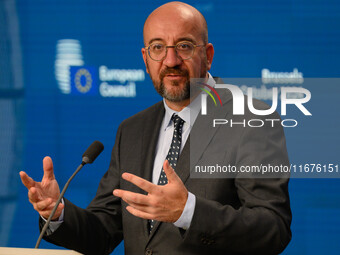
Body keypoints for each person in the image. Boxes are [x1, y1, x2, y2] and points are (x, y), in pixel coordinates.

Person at [20, 2, 292, 254]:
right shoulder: (132, 130)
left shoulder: (250, 119)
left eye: (184, 46)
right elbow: (103, 230)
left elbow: (273, 228)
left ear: (208, 55)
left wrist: (188, 212)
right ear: (145, 58)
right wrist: (57, 213)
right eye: (158, 47)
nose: (170, 60)